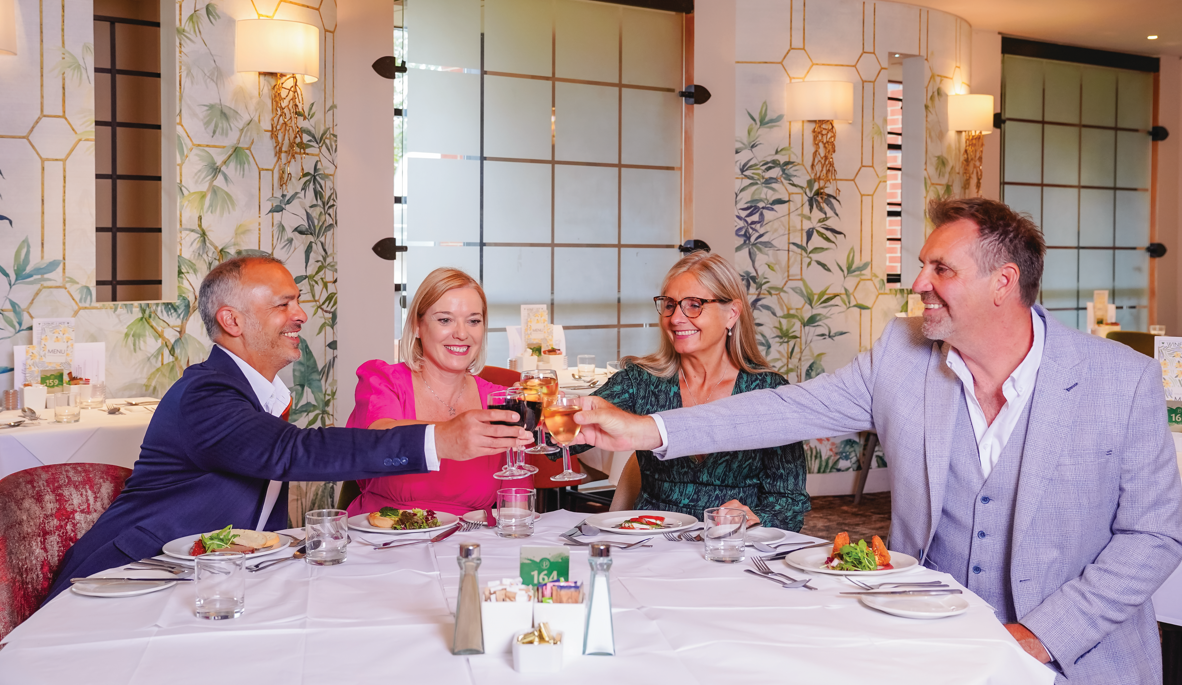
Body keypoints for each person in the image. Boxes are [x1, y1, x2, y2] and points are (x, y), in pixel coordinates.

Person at [573, 199, 1182, 684]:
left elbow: (1154, 537)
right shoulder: (902, 353)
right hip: (924, 641)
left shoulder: (1119, 379)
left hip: (1073, 661)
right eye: (923, 264)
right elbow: (788, 408)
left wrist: (1035, 639)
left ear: (1004, 282)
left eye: (941, 269)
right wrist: (648, 428)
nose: (918, 282)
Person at [45, 257, 529, 602]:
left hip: (214, 579)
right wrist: (438, 439)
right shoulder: (207, 395)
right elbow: (290, 454)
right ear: (231, 320)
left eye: (297, 301)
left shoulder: (260, 394)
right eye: (283, 304)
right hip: (129, 581)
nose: (300, 315)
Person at [571, 252, 808, 530]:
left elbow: (790, 504)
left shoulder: (768, 391)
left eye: (694, 305)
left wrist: (757, 518)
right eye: (670, 305)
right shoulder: (641, 381)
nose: (676, 318)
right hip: (650, 543)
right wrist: (523, 418)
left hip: (730, 549)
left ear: (732, 313)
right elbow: (558, 439)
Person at [344, 268, 528, 517]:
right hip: (386, 538)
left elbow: (516, 504)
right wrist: (451, 431)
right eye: (445, 320)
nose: (462, 334)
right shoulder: (384, 381)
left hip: (471, 543)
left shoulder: (501, 401)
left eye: (473, 321)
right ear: (418, 326)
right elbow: (378, 439)